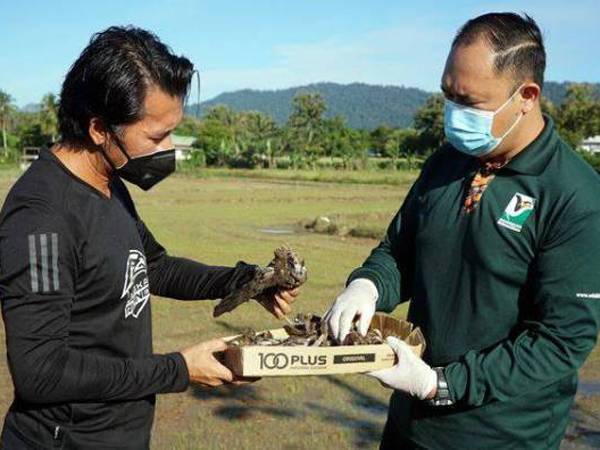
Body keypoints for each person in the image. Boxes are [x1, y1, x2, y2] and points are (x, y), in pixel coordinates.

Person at [0, 26, 298, 449]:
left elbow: (152, 266)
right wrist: (179, 369)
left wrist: (245, 282)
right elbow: (41, 372)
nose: (169, 148)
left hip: (122, 434)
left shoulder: (108, 181)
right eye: (157, 136)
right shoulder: (42, 216)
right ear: (100, 129)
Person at [325, 12, 600, 449]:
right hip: (408, 426)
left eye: (469, 102)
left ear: (526, 96)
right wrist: (367, 286)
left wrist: (440, 384)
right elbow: (400, 249)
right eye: (447, 95)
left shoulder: (575, 196)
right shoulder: (447, 161)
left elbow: (560, 341)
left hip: (499, 436)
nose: (452, 113)